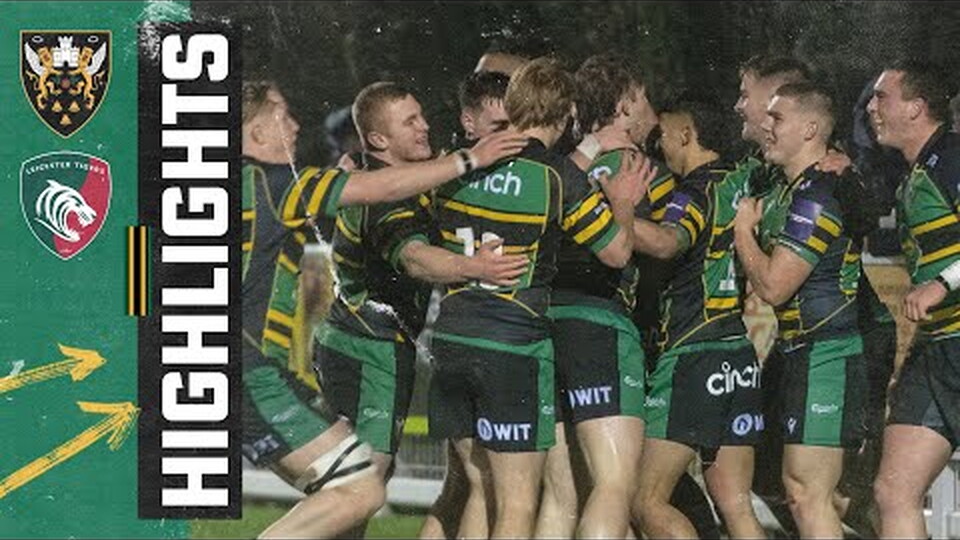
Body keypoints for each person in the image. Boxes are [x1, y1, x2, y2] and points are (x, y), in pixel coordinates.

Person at [240, 80, 527, 539]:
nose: (296, 126)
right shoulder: (280, 184)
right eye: (283, 117)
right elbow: (396, 217)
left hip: (317, 347)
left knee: (349, 490)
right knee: (361, 486)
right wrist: (470, 163)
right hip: (352, 354)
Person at [426, 57, 653, 539]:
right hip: (512, 346)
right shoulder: (555, 176)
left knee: (478, 489)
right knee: (517, 504)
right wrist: (623, 204)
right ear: (568, 114)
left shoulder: (458, 165)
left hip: (451, 336)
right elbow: (616, 253)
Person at [734, 82, 868, 539]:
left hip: (827, 353)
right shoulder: (787, 188)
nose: (766, 126)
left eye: (777, 118)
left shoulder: (817, 194)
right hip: (801, 350)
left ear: (810, 129)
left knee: (807, 493)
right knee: (814, 492)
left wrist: (743, 234)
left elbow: (774, 286)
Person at [630, 95, 765, 539]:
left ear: (686, 134)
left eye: (664, 134)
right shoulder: (743, 179)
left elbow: (668, 242)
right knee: (737, 503)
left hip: (693, 354)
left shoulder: (694, 191)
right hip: (738, 353)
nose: (660, 144)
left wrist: (613, 213)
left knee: (645, 501)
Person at [535, 54, 656, 539]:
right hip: (598, 327)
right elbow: (623, 250)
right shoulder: (627, 162)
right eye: (645, 100)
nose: (652, 113)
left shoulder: (566, 164)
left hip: (547, 325)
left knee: (562, 496)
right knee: (613, 486)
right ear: (625, 104)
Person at [867, 60, 960, 539]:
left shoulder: (954, 158)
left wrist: (943, 282)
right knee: (893, 492)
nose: (871, 107)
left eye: (882, 97)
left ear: (916, 108)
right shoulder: (915, 172)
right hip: (936, 349)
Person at [419, 70, 512, 540]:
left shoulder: (439, 176)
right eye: (499, 129)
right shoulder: (527, 178)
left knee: (463, 483)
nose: (509, 139)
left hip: (457, 343)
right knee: (485, 484)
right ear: (468, 123)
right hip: (489, 343)